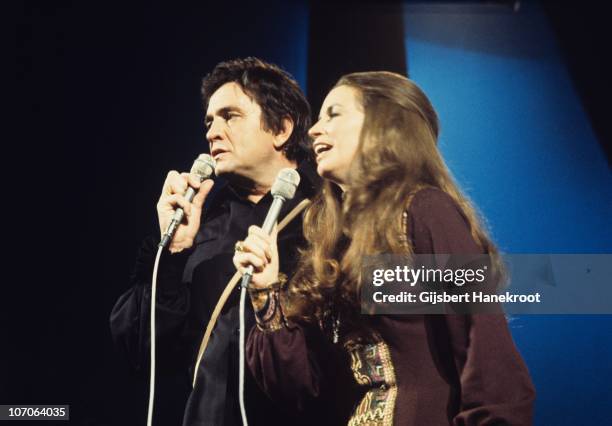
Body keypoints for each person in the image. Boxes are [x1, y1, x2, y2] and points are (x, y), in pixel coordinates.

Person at [234, 71, 536, 425]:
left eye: (334, 114)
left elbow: (488, 353)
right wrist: (266, 292)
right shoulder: (335, 244)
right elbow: (302, 390)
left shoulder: (425, 211)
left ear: (383, 124)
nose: (314, 129)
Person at [110, 57, 319, 426]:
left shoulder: (330, 214)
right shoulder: (202, 223)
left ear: (281, 129)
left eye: (230, 116)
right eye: (209, 121)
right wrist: (172, 250)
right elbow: (143, 354)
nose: (212, 132)